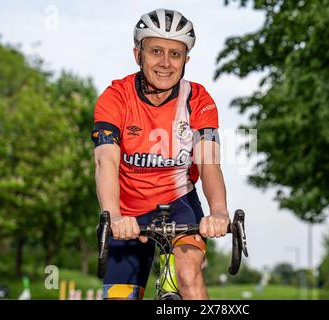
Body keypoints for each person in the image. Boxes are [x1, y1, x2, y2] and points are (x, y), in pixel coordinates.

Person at [91, 8, 230, 300]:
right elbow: (106, 161)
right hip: (127, 211)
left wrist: (218, 212)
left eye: (175, 54)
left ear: (186, 60)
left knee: (189, 275)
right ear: (137, 54)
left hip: (179, 204)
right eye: (156, 51)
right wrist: (113, 215)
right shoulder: (115, 97)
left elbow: (208, 162)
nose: (165, 63)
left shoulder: (198, 99)